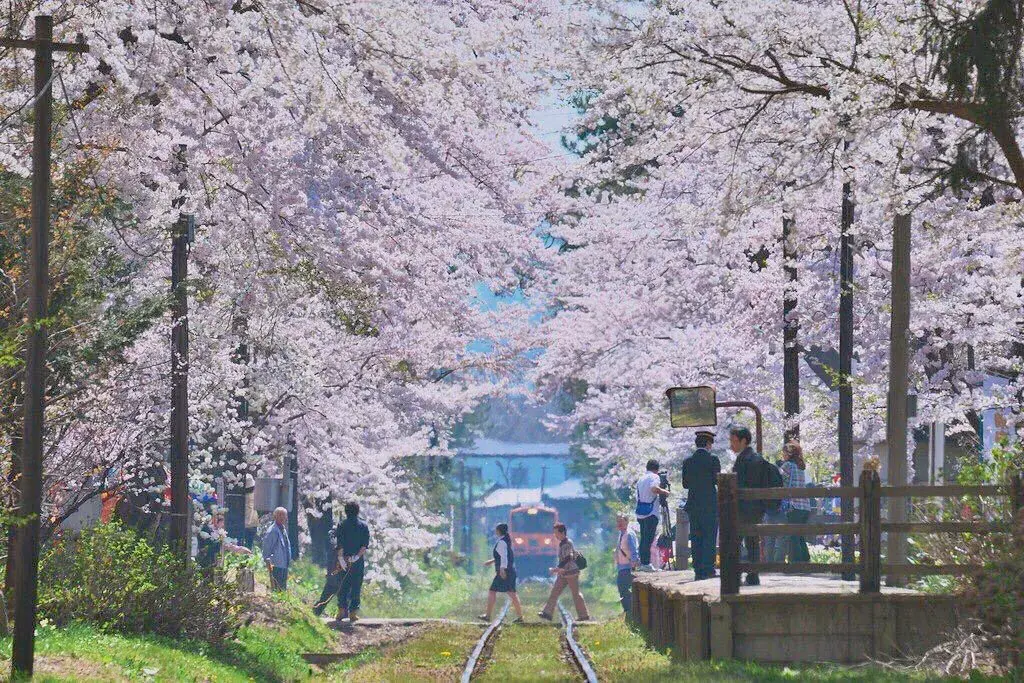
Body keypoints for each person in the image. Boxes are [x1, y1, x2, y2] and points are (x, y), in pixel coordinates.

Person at [730, 426, 771, 586]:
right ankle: (753, 575)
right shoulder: (758, 458)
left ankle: (735, 574)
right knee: (753, 541)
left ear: (743, 441)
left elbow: (737, 485)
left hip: (742, 507)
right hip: (757, 508)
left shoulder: (743, 460)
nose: (731, 445)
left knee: (734, 541)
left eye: (734, 441)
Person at [681, 428, 720, 580]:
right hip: (709, 503)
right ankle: (708, 568)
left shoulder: (687, 461)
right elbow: (717, 480)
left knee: (696, 536)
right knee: (709, 536)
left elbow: (685, 484)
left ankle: (697, 568)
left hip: (693, 503)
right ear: (709, 444)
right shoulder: (713, 460)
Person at [538, 523, 590, 621]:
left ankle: (584, 615)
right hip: (563, 573)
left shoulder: (567, 543)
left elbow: (567, 558)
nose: (555, 535)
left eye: (556, 533)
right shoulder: (562, 543)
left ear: (562, 533)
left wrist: (557, 569)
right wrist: (559, 569)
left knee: (575, 594)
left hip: (571, 573)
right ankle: (547, 613)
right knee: (555, 592)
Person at [480, 523, 525, 623]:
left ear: (499, 531)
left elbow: (504, 557)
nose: (495, 531)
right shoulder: (506, 541)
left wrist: (502, 570)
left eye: (496, 529)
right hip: (508, 571)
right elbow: (502, 557)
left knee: (494, 591)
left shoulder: (501, 542)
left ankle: (487, 616)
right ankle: (520, 617)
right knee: (511, 593)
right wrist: (492, 561)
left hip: (505, 572)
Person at [636, 459, 671, 571]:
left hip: (641, 512)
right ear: (656, 469)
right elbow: (654, 488)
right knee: (649, 538)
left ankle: (643, 563)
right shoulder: (654, 477)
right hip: (651, 512)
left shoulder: (641, 479)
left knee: (644, 538)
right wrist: (665, 492)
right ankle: (646, 564)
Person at [780, 442, 811, 562]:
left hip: (794, 505)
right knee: (800, 535)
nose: (782, 455)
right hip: (805, 506)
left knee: (793, 536)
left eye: (784, 453)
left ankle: (796, 563)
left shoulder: (787, 466)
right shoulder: (801, 467)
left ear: (788, 454)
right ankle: (805, 561)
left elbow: (779, 480)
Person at [613, 514, 639, 614]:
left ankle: (629, 610)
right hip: (622, 567)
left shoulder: (629, 534)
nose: (619, 523)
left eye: (621, 521)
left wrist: (634, 564)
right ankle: (628, 610)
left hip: (627, 567)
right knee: (623, 588)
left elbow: (634, 550)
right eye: (618, 521)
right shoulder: (622, 534)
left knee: (623, 588)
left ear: (627, 522)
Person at [262, 506, 292, 591]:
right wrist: (268, 562)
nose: (282, 517)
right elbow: (266, 549)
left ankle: (281, 603)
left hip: (284, 564)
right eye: (280, 515)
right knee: (277, 589)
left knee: (282, 589)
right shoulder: (272, 531)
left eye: (284, 515)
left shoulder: (283, 529)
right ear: (275, 516)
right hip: (276, 565)